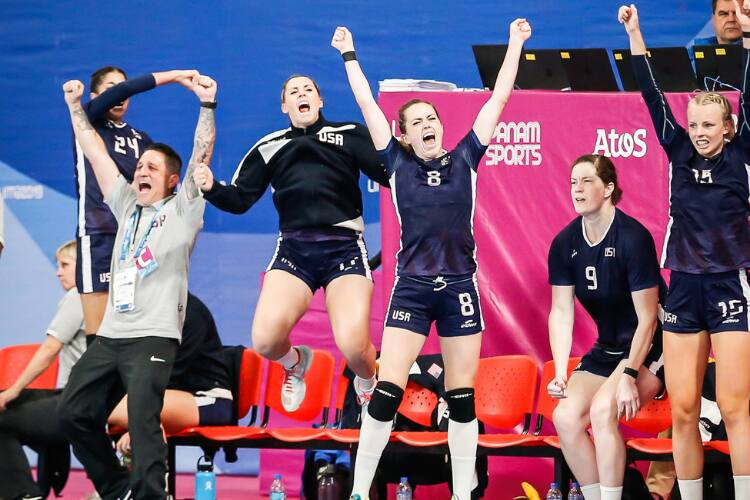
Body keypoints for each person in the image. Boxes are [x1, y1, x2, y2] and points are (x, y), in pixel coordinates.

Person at [331, 18, 530, 499]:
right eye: (416, 122)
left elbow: (499, 99)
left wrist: (515, 43)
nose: (427, 126)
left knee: (461, 398)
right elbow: (366, 103)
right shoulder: (397, 164)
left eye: (432, 119)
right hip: (413, 290)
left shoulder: (466, 159)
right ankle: (359, 491)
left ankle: (462, 493)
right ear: (402, 135)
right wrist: (348, 54)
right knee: (386, 392)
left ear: (442, 127)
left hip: (459, 288)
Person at [619, 2, 750, 499]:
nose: (700, 132)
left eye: (709, 125)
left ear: (727, 127)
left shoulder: (743, 151)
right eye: (694, 124)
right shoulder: (677, 148)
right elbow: (650, 92)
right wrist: (635, 34)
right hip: (682, 287)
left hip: (729, 286)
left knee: (733, 407)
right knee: (683, 410)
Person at [57, 72, 216, 499]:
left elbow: (201, 154)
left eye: (152, 168)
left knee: (143, 422)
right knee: (72, 412)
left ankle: (149, 495)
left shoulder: (183, 209)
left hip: (153, 336)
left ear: (171, 181)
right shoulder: (127, 205)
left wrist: (206, 105)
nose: (141, 171)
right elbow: (95, 151)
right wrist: (74, 108)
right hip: (112, 336)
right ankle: (116, 489)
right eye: (139, 165)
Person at [193, 74, 389, 414]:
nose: (302, 94)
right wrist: (211, 188)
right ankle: (295, 363)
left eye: (308, 89)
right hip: (294, 252)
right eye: (293, 92)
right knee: (266, 341)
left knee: (355, 349)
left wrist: (410, 152)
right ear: (285, 106)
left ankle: (368, 381)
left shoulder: (349, 135)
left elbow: (390, 173)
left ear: (320, 101)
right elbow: (239, 199)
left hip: (343, 250)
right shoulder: (270, 146)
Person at [547, 154, 665, 500]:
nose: (578, 189)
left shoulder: (633, 238)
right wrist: (560, 373)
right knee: (565, 417)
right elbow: (561, 312)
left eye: (587, 181)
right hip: (609, 346)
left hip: (653, 344)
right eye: (573, 182)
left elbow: (648, 319)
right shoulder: (565, 243)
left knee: (602, 410)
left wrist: (629, 375)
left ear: (609, 188)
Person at [74, 66, 199, 341]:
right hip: (98, 234)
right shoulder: (87, 120)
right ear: (94, 97)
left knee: (135, 327)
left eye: (123, 89)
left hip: (136, 238)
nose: (120, 95)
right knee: (99, 336)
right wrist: (175, 76)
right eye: (111, 89)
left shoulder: (142, 140)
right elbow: (126, 89)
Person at [0, 240, 86, 500]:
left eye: (65, 265)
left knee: (3, 415)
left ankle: (23, 494)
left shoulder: (78, 297)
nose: (58, 272)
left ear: (83, 266)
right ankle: (47, 467)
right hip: (76, 394)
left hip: (78, 399)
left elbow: (49, 350)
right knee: (9, 402)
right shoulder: (96, 297)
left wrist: (13, 391)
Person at [110, 292, 235, 458]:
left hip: (208, 400)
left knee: (114, 405)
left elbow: (169, 375)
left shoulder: (189, 311)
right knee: (100, 400)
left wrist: (139, 422)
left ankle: (152, 461)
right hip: (163, 396)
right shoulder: (145, 312)